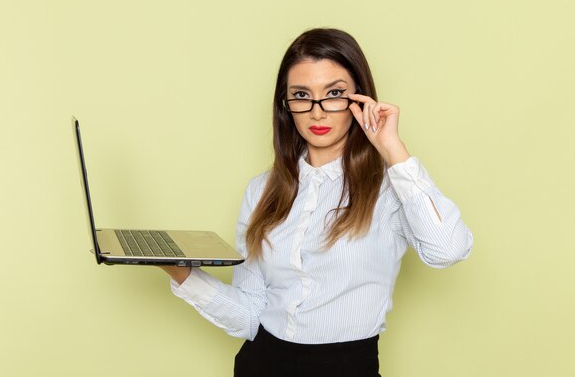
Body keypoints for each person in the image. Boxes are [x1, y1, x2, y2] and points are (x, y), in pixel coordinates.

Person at [160, 28, 473, 377]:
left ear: (360, 99)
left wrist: (391, 148)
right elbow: (250, 315)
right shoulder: (261, 190)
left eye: (335, 93)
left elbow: (448, 249)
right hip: (260, 364)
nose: (317, 112)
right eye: (301, 95)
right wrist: (181, 272)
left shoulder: (390, 186)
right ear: (286, 105)